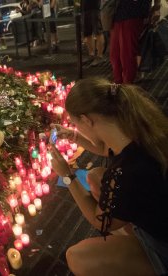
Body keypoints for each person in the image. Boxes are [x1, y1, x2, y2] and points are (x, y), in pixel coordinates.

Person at [50, 78, 168, 275]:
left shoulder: (125, 173)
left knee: (77, 257)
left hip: (162, 244)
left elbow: (100, 222)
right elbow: (105, 148)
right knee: (96, 177)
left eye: (76, 124)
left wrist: (67, 176)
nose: (77, 128)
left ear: (87, 119)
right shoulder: (137, 126)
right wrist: (73, 136)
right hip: (158, 212)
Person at [110, 0, 161, 83]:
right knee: (115, 54)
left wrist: (157, 7)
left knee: (127, 54)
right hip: (119, 13)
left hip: (134, 13)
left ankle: (127, 86)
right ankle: (118, 83)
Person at [82, 0, 105, 66]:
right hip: (85, 8)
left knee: (98, 32)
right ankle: (91, 55)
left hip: (95, 8)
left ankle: (100, 56)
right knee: (87, 33)